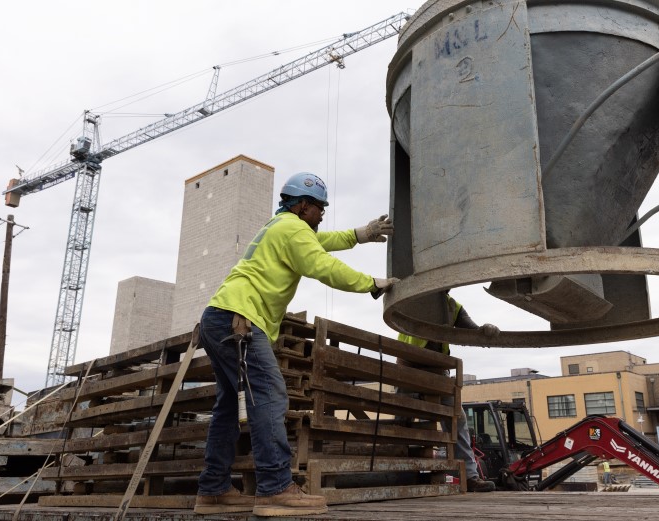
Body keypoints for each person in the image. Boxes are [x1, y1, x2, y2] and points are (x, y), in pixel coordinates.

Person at [195, 172, 398, 517]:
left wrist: (359, 235)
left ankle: (214, 490)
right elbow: (321, 264)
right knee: (269, 397)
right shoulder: (292, 229)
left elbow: (319, 243)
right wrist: (371, 283)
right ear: (303, 205)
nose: (322, 214)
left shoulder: (280, 227)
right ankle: (275, 489)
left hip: (220, 317)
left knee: (229, 406)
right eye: (319, 208)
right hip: (240, 319)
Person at [397, 293, 499, 493]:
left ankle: (469, 476)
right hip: (410, 367)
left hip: (438, 369)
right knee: (403, 420)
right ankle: (399, 472)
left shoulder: (453, 306)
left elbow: (471, 330)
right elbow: (397, 317)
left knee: (457, 420)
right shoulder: (413, 297)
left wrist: (484, 330)